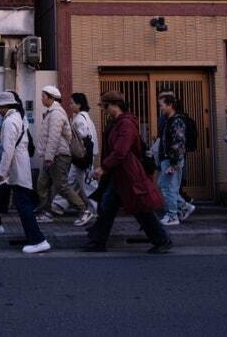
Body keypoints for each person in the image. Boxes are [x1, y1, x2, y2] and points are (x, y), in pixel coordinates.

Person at [84, 90, 171, 254]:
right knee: (108, 206)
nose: (104, 110)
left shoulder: (126, 124)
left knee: (140, 209)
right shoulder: (117, 123)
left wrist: (103, 167)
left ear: (115, 105)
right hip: (119, 174)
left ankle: (162, 240)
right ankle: (97, 241)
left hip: (128, 174)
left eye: (105, 106)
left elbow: (121, 151)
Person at [0, 92, 51, 254]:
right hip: (17, 167)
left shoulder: (10, 122)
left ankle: (38, 240)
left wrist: (2, 172)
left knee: (23, 204)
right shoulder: (17, 118)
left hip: (15, 168)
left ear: (6, 106)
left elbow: (8, 149)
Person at [35, 85, 91, 225]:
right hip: (52, 155)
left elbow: (54, 137)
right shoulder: (51, 112)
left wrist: (48, 157)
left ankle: (84, 210)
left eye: (43, 96)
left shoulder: (56, 113)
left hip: (59, 156)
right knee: (42, 184)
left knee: (61, 185)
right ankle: (47, 212)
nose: (42, 98)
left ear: (51, 98)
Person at [156, 95, 196, 225]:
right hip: (168, 159)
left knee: (169, 188)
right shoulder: (170, 120)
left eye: (162, 105)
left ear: (169, 105)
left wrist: (174, 163)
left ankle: (172, 216)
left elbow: (179, 143)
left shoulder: (176, 121)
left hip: (171, 160)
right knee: (164, 185)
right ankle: (184, 207)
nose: (160, 108)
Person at [64, 92, 98, 227]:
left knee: (86, 185)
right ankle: (58, 205)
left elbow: (83, 137)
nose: (70, 105)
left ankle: (92, 210)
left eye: (72, 103)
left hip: (82, 157)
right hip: (85, 157)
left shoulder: (79, 119)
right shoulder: (85, 117)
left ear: (79, 104)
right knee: (72, 181)